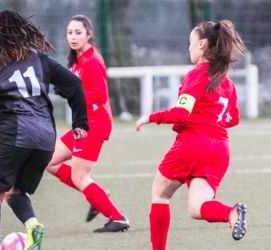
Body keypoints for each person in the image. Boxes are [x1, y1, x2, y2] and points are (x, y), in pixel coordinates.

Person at [0, 10, 89, 250]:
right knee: (15, 191)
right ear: (23, 32)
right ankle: (32, 224)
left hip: (16, 135)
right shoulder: (41, 60)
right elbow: (74, 84)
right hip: (45, 139)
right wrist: (80, 123)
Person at [136, 20, 247, 249]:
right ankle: (230, 212)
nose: (189, 47)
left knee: (160, 194)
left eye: (191, 42)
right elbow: (233, 118)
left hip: (194, 143)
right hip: (221, 150)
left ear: (203, 45)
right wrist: (212, 118)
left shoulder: (197, 75)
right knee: (197, 207)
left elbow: (181, 114)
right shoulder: (227, 82)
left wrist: (151, 117)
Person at [44, 14, 130, 233]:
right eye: (70, 33)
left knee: (79, 176)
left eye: (78, 32)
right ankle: (96, 194)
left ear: (89, 35)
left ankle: (118, 218)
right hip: (83, 123)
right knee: (48, 160)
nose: (73, 37)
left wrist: (73, 91)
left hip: (95, 123)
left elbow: (100, 95)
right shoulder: (78, 59)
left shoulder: (92, 60)